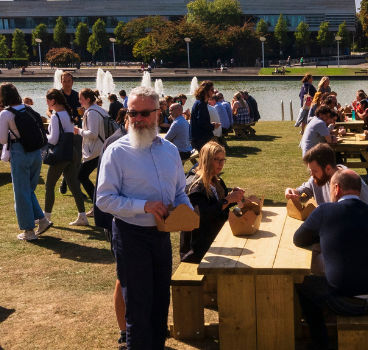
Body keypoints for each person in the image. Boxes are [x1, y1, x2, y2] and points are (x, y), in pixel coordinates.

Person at [93, 86, 191, 350]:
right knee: (138, 308)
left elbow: (180, 191)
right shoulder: (117, 151)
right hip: (130, 235)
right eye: (132, 113)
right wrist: (144, 206)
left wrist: (187, 211)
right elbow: (103, 199)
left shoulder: (170, 150)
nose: (137, 119)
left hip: (161, 235)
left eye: (144, 113)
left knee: (160, 304)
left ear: (158, 114)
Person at [293, 169, 368, 350]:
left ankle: (321, 344)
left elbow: (298, 239)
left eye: (330, 188)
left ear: (337, 188)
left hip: (344, 302)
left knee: (303, 286)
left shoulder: (325, 211)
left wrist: (323, 236)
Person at [0, 83, 51, 240]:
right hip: (36, 152)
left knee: (21, 193)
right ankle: (42, 220)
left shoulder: (6, 113)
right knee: (28, 191)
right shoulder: (27, 108)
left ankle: (29, 231)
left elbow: (4, 139)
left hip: (20, 152)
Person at [179, 142, 245, 264]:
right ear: (207, 160)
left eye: (223, 160)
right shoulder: (195, 187)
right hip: (198, 249)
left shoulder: (216, 180)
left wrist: (232, 197)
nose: (221, 164)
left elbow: (218, 206)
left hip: (215, 239)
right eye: (217, 160)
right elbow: (204, 216)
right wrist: (228, 200)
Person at [44, 90, 93, 227]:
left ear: (53, 101)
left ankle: (45, 217)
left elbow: (53, 140)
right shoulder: (67, 113)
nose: (47, 103)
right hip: (72, 152)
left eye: (48, 100)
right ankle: (82, 216)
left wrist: (44, 136)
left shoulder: (55, 116)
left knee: (49, 186)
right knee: (74, 186)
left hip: (61, 155)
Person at [79, 88, 117, 233]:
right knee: (91, 178)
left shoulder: (92, 112)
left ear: (87, 99)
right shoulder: (100, 110)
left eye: (81, 98)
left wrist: (78, 131)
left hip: (96, 150)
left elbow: (93, 134)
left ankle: (98, 206)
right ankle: (98, 206)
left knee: (81, 176)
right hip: (102, 148)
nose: (79, 101)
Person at [188, 81, 215, 152]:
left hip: (200, 137)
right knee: (207, 160)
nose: (213, 92)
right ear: (205, 91)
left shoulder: (201, 103)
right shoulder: (201, 104)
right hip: (200, 138)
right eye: (212, 90)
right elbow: (202, 122)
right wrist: (213, 126)